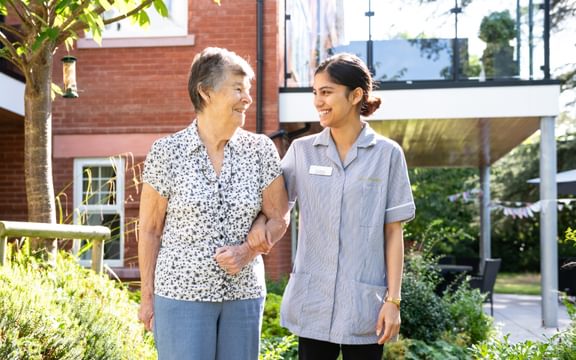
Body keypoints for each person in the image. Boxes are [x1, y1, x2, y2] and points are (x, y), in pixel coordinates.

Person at [138, 47, 289, 360]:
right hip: (181, 295)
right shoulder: (167, 152)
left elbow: (279, 216)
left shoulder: (260, 150)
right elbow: (150, 230)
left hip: (244, 295)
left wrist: (247, 251)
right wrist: (147, 295)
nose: (247, 98)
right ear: (205, 92)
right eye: (237, 89)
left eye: (247, 91)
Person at [280, 53, 415, 360]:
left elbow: (393, 233)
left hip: (364, 306)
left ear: (355, 96)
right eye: (315, 93)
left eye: (326, 92)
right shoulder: (302, 152)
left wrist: (393, 301)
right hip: (313, 301)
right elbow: (272, 206)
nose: (317, 101)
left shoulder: (387, 154)